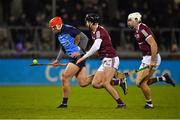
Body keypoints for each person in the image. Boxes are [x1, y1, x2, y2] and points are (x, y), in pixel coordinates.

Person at [77, 13, 126, 108]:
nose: (86, 23)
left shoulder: (99, 31)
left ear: (92, 22)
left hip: (111, 58)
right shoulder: (94, 31)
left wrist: (83, 57)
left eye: (88, 21)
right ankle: (119, 82)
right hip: (105, 60)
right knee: (95, 84)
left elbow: (96, 47)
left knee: (105, 83)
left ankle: (121, 103)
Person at [127, 12, 175, 109]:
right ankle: (163, 78)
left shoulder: (142, 29)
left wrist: (153, 61)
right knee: (145, 82)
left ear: (136, 20)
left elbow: (153, 44)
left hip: (151, 58)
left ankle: (149, 104)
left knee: (139, 83)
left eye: (130, 20)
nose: (128, 22)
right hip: (147, 58)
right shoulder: (136, 31)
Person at [49, 16, 92, 108]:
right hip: (73, 58)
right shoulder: (59, 34)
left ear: (59, 25)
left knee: (65, 76)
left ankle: (64, 103)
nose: (52, 29)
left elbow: (85, 38)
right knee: (83, 83)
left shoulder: (69, 29)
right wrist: (57, 60)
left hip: (78, 57)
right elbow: (63, 48)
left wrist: (79, 51)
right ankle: (110, 79)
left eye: (54, 27)